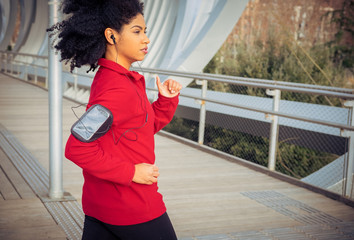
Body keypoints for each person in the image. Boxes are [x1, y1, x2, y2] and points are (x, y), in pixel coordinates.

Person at [48, 0, 182, 239]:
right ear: (111, 36)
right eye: (137, 31)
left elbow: (139, 128)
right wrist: (130, 172)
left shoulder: (117, 80)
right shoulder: (116, 90)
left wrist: (165, 101)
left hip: (101, 208)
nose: (146, 39)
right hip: (133, 207)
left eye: (145, 31)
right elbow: (77, 148)